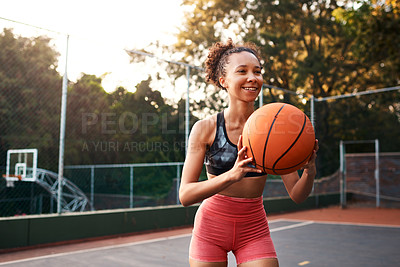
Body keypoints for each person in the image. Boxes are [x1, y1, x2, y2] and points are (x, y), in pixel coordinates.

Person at [179, 38, 318, 267]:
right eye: (242, 71)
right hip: (211, 228)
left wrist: (310, 170)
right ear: (224, 81)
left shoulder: (275, 127)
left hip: (253, 228)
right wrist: (232, 175)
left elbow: (297, 194)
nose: (252, 78)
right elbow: (185, 195)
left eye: (257, 71)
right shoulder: (205, 129)